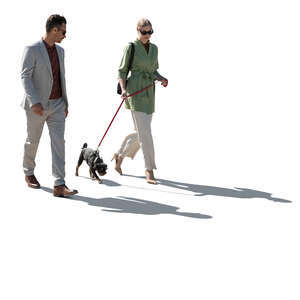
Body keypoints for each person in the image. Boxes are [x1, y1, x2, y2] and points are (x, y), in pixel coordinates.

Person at [21, 14, 78, 197]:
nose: (65, 35)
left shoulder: (61, 51)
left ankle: (59, 184)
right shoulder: (32, 49)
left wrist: (65, 103)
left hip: (58, 105)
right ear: (54, 30)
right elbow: (25, 76)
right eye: (63, 31)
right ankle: (29, 172)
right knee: (33, 140)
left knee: (59, 143)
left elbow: (61, 78)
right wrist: (34, 101)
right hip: (37, 106)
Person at [112, 18, 168, 184]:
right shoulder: (131, 47)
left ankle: (119, 156)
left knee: (141, 132)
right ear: (137, 31)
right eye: (144, 32)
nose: (147, 35)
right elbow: (122, 71)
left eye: (150, 31)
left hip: (149, 92)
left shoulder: (155, 49)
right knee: (146, 134)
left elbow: (153, 70)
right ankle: (149, 169)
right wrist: (123, 90)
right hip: (135, 92)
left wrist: (162, 78)